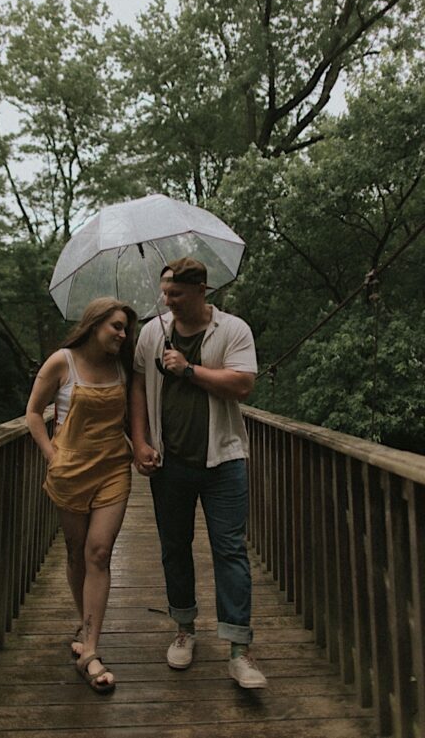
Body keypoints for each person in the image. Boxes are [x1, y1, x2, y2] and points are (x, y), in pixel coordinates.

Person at [129, 257, 267, 689]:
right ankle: (184, 629)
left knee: (230, 551)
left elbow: (242, 384)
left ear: (202, 290)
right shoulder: (153, 331)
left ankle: (239, 651)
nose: (167, 300)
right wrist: (140, 441)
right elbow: (135, 385)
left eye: (176, 294)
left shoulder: (232, 329)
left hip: (223, 460)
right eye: (165, 292)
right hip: (169, 463)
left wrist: (188, 370)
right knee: (175, 548)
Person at [26, 297, 138, 693]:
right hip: (70, 471)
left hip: (113, 469)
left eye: (126, 329)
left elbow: (133, 416)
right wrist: (51, 454)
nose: (123, 335)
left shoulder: (124, 367)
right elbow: (34, 413)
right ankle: (87, 622)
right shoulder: (63, 361)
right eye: (117, 327)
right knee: (76, 552)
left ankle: (89, 649)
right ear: (94, 325)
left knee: (98, 551)